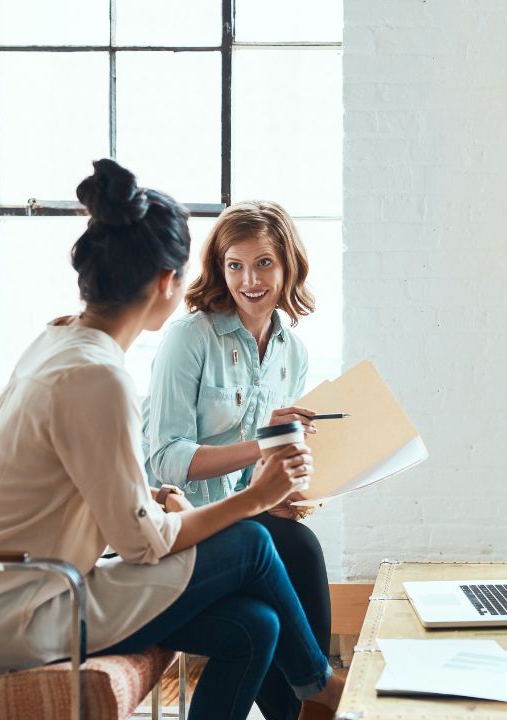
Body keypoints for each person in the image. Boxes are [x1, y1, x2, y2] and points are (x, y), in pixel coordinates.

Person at [0, 159, 343, 720]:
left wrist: (156, 500)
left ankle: (312, 685)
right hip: (23, 616)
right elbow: (140, 545)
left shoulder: (62, 341)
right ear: (165, 283)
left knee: (255, 626)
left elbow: (86, 490)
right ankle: (321, 687)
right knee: (253, 542)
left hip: (18, 599)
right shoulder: (98, 375)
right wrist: (256, 496)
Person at [143, 200, 330, 720]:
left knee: (283, 560)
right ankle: (317, 697)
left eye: (264, 263)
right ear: (219, 269)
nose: (250, 280)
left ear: (288, 265)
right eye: (235, 265)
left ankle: (306, 703)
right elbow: (165, 460)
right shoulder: (189, 338)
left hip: (244, 520)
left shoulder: (293, 351)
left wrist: (286, 489)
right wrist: (267, 445)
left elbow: (255, 476)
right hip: (182, 524)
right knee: (299, 550)